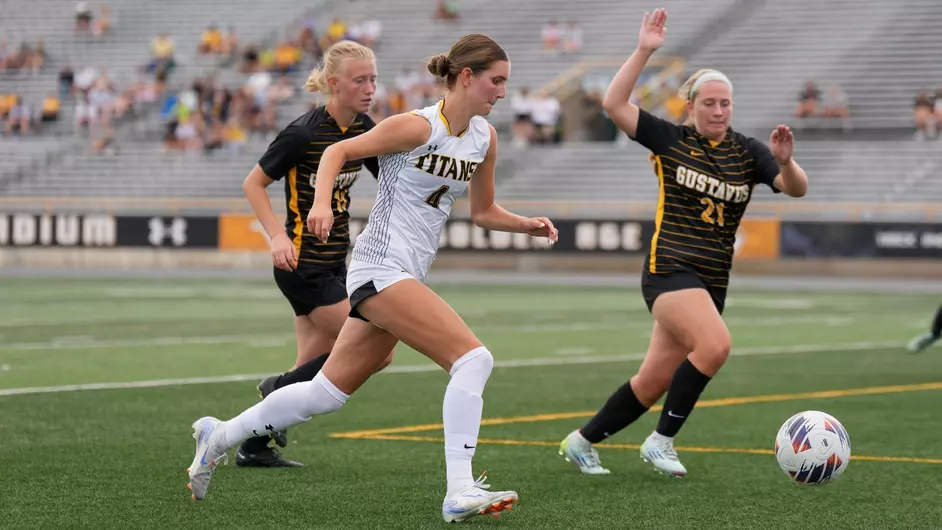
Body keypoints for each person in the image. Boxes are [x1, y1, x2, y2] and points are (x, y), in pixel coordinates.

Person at [185, 34, 559, 522]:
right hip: (380, 266)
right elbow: (336, 153)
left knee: (325, 393)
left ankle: (219, 434)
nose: (503, 92)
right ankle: (460, 490)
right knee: (473, 359)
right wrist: (320, 203)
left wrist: (525, 224)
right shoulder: (414, 126)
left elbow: (484, 211)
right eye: (497, 81)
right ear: (466, 77)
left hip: (403, 270)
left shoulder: (484, 138)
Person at [558, 8, 809, 478]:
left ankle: (581, 440)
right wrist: (645, 50)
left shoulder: (749, 151)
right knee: (715, 346)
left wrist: (786, 162)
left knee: (652, 381)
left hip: (712, 280)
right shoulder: (671, 140)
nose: (718, 110)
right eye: (709, 102)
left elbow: (797, 188)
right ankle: (661, 441)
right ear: (689, 106)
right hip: (669, 269)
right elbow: (614, 104)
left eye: (725, 103)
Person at [236, 40, 394, 468]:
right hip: (302, 265)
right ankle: (277, 387)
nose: (369, 88)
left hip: (336, 264)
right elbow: (254, 184)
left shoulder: (364, 127)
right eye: (360, 80)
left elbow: (391, 179)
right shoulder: (303, 132)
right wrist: (276, 236)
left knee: (310, 364)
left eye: (373, 79)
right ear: (333, 84)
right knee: (377, 349)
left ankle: (253, 446)